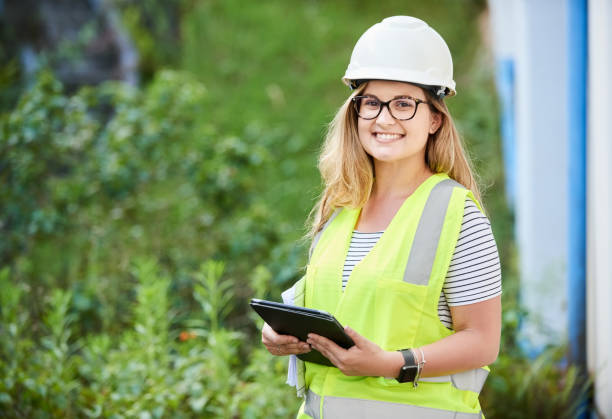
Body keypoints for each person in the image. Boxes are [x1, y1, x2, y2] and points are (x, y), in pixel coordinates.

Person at [261, 16, 501, 418]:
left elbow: (481, 340)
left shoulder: (458, 216)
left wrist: (393, 364)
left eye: (404, 104)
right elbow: (339, 302)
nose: (384, 118)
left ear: (435, 119)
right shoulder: (341, 206)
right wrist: (281, 334)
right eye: (371, 103)